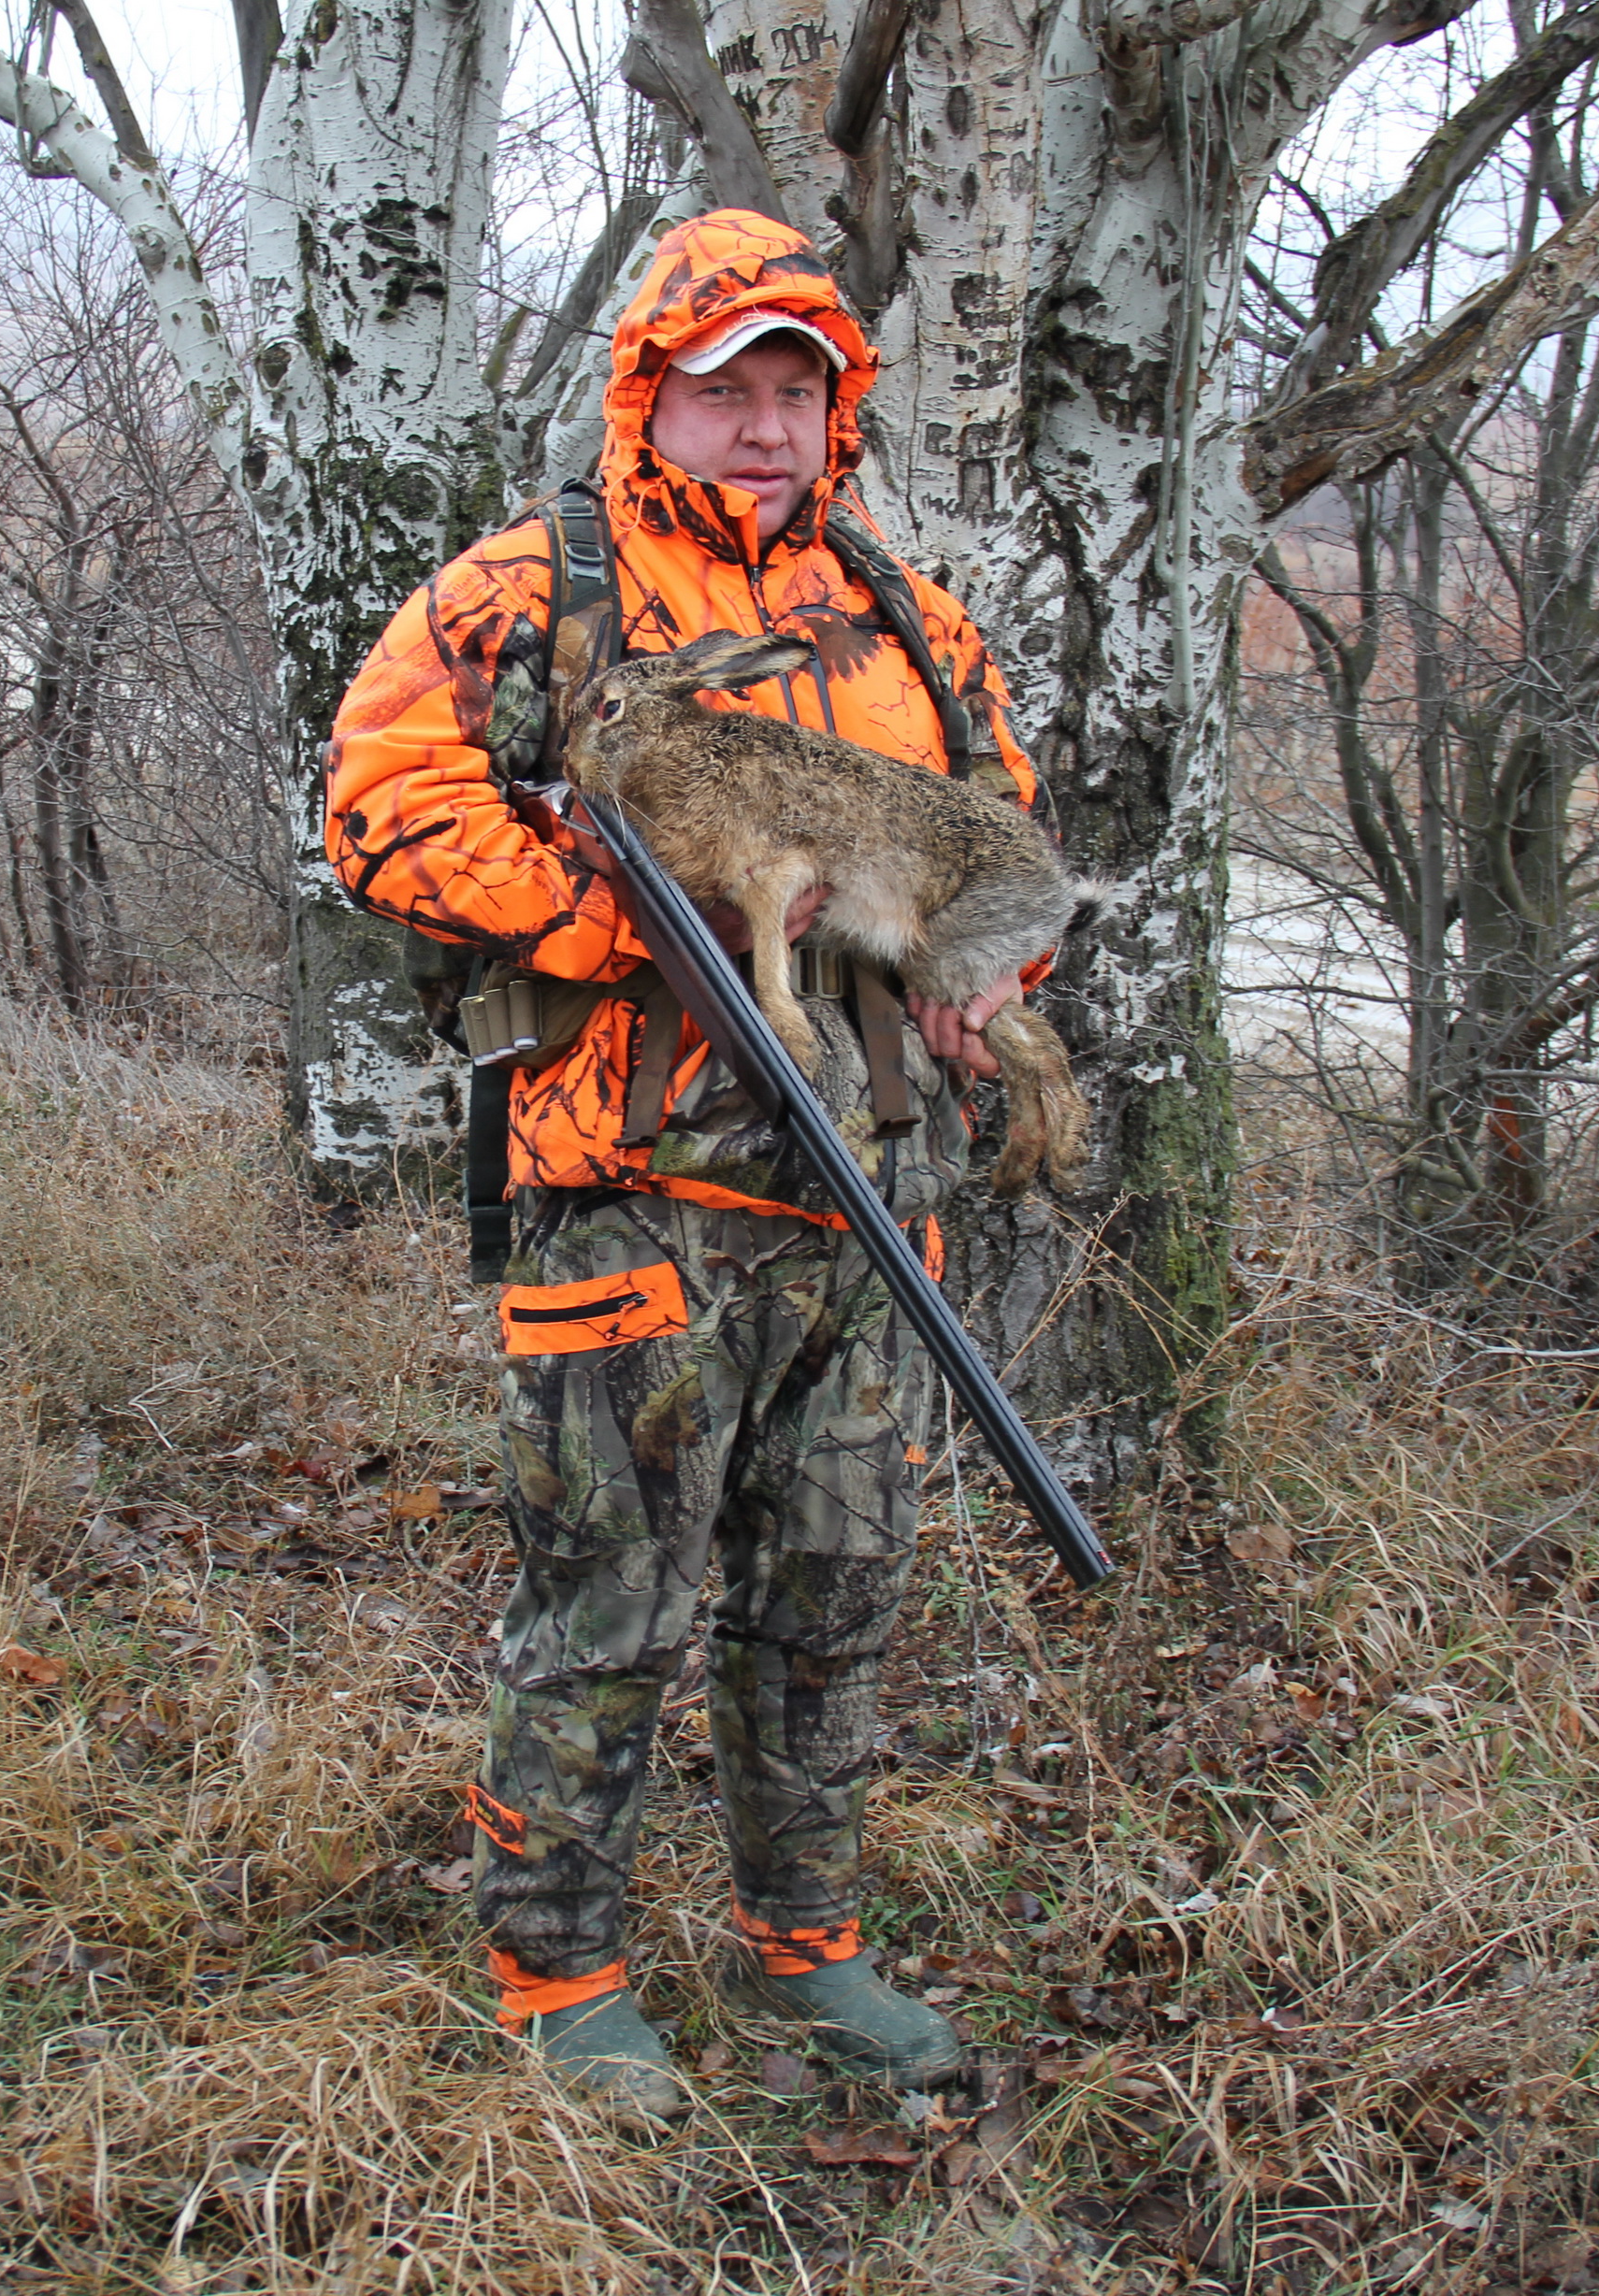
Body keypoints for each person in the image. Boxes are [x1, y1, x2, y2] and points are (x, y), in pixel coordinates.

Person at [323, 208, 1057, 2122]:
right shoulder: (537, 588)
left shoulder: (911, 622)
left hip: (874, 1199)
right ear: (651, 394)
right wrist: (619, 915)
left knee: (834, 1595)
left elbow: (1000, 838)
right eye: (728, 388)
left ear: (839, 415)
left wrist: (989, 984)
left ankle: (807, 1941)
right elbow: (380, 806)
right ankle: (559, 1966)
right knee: (608, 1605)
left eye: (800, 390)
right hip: (632, 1192)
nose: (767, 424)